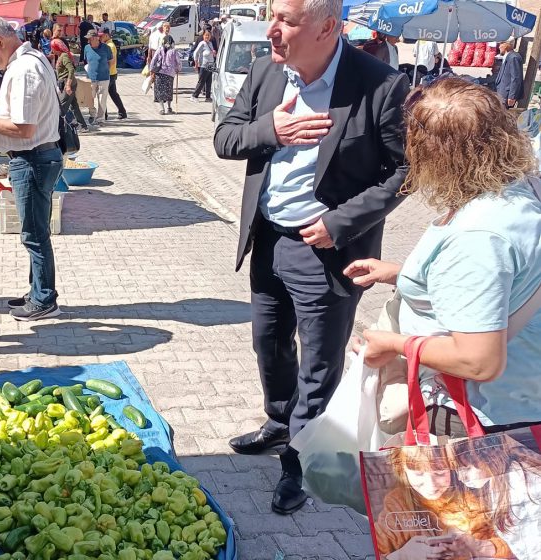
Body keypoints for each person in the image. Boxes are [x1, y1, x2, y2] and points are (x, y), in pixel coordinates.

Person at [214, 0, 409, 516]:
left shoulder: (380, 84)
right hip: (269, 239)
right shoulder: (264, 74)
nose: (271, 31)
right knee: (268, 343)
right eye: (272, 16)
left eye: (286, 21)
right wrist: (269, 132)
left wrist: (340, 223)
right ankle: (280, 423)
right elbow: (224, 138)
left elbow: (403, 173)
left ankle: (301, 464)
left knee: (320, 364)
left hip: (328, 251)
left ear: (328, 28)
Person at [348, 79, 541, 434]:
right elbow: (497, 285)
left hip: (480, 419)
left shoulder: (480, 234)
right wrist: (403, 274)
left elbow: (479, 360)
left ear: (436, 154)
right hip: (520, 402)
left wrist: (394, 344)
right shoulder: (521, 190)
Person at [0, 16, 63, 321]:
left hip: (32, 157)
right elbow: (28, 107)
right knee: (34, 230)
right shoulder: (31, 59)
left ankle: (44, 298)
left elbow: (23, 128)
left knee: (34, 233)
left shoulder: (23, 69)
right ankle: (38, 290)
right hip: (37, 156)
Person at [372, 445, 514, 559]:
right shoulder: (397, 504)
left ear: (453, 466)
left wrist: (478, 547)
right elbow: (369, 551)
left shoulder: (473, 494)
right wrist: (402, 555)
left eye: (440, 473)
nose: (431, 485)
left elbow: (516, 545)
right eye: (418, 473)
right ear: (401, 470)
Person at [55, 36, 91, 133]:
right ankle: (83, 126)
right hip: (68, 83)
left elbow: (71, 70)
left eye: (53, 48)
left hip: (68, 84)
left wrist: (67, 85)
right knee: (74, 106)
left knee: (62, 107)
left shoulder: (64, 56)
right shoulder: (60, 56)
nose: (52, 50)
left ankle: (58, 128)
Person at [83, 30, 112, 126]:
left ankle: (100, 119)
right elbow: (86, 61)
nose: (88, 41)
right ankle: (92, 114)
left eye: (89, 39)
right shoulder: (87, 48)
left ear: (96, 38)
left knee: (102, 100)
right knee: (89, 98)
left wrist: (105, 70)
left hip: (104, 78)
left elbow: (111, 61)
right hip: (91, 78)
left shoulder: (106, 48)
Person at [149, 34, 181, 115]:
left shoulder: (159, 49)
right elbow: (178, 62)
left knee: (160, 91)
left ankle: (162, 109)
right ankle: (169, 108)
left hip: (159, 72)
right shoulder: (174, 51)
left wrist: (151, 70)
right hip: (170, 74)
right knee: (168, 91)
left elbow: (153, 60)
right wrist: (178, 69)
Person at [101, 29, 127, 120]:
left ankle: (104, 115)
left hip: (109, 74)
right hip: (112, 73)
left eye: (102, 36)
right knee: (113, 94)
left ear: (107, 36)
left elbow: (111, 61)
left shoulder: (110, 46)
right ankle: (122, 112)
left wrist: (104, 71)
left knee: (103, 94)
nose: (100, 38)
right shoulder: (108, 45)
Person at [496, 39, 524, 108]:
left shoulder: (513, 58)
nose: (499, 47)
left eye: (501, 44)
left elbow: (516, 78)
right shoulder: (508, 56)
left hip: (507, 94)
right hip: (502, 92)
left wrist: (512, 96)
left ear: (506, 45)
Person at [191, 30, 215, 102]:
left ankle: (208, 97)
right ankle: (194, 96)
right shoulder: (202, 43)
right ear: (203, 36)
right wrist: (196, 63)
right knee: (201, 81)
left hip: (210, 65)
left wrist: (214, 53)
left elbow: (211, 53)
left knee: (209, 81)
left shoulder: (210, 43)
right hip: (203, 65)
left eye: (208, 35)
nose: (207, 37)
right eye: (206, 35)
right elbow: (196, 53)